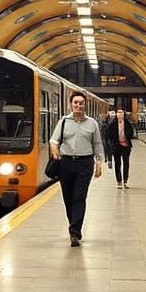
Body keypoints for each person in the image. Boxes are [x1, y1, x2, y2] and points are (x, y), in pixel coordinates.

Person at [49, 91, 105, 247]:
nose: (78, 105)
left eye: (81, 103)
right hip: (66, 163)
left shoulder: (92, 123)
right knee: (68, 198)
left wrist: (99, 164)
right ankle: (73, 223)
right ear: (70, 105)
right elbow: (53, 140)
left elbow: (98, 144)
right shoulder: (63, 122)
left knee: (79, 197)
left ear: (85, 105)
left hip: (85, 164)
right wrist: (55, 152)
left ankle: (75, 232)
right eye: (76, 103)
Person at [103, 108, 135, 188]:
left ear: (123, 115)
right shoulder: (112, 124)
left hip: (126, 146)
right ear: (116, 115)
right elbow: (108, 135)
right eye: (118, 114)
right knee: (117, 164)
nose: (120, 116)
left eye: (121, 114)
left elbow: (131, 133)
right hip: (116, 146)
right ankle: (119, 181)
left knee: (126, 163)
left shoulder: (127, 123)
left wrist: (127, 137)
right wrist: (111, 144)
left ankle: (125, 180)